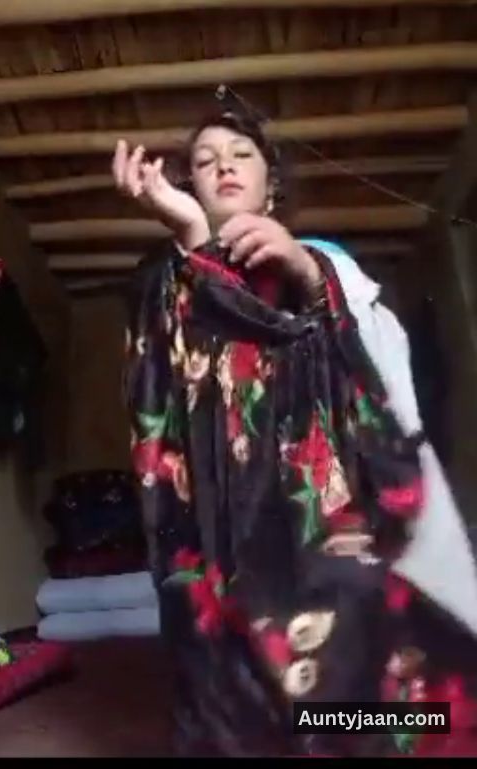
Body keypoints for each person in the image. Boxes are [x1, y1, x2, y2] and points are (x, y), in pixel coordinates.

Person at [113, 107, 477, 757]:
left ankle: (343, 731)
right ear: (190, 187)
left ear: (272, 184)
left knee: (356, 610)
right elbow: (167, 397)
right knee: (207, 626)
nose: (223, 166)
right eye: (204, 161)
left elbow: (367, 374)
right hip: (214, 526)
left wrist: (308, 273)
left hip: (317, 507)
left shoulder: (322, 265)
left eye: (241, 154)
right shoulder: (162, 277)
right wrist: (194, 237)